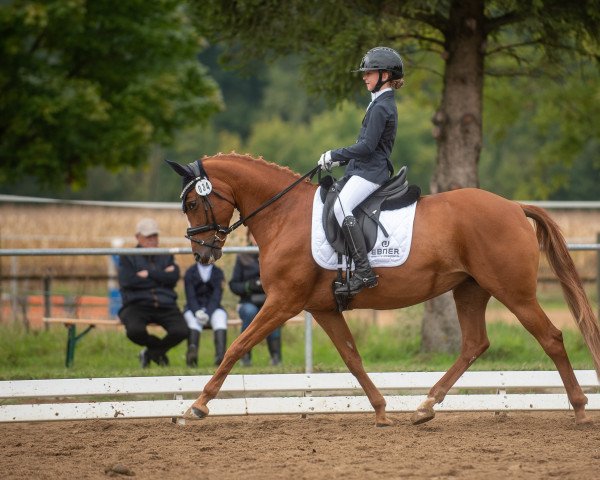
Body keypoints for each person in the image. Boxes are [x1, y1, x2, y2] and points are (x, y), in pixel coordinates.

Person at [317, 46, 404, 295]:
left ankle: (364, 271)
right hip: (364, 168)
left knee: (341, 207)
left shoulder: (381, 107)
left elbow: (367, 147)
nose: (364, 77)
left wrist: (335, 155)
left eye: (370, 72)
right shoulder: (378, 103)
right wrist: (339, 161)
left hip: (371, 172)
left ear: (385, 75)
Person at [118, 218, 188, 368]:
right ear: (138, 237)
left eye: (154, 236)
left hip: (165, 303)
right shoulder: (127, 256)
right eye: (148, 236)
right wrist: (161, 275)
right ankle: (156, 348)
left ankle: (151, 353)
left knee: (182, 330)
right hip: (137, 304)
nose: (152, 240)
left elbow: (173, 278)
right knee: (134, 331)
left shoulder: (166, 255)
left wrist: (148, 274)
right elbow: (129, 282)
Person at [229, 232, 281, 366]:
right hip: (247, 301)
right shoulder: (242, 256)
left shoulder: (274, 254)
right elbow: (234, 284)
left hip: (268, 301)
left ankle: (276, 357)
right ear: (248, 237)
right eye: (253, 235)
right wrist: (249, 286)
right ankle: (244, 356)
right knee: (250, 311)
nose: (256, 237)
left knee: (272, 314)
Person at [183, 261, 228, 367]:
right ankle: (192, 358)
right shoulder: (190, 272)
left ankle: (220, 357)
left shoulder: (218, 272)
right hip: (193, 307)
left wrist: (208, 313)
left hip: (213, 307)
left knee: (220, 318)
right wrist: (197, 311)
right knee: (193, 322)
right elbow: (190, 295)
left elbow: (217, 296)